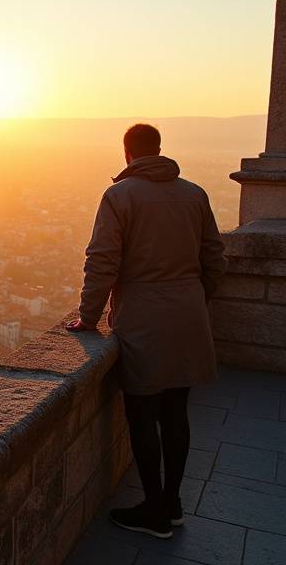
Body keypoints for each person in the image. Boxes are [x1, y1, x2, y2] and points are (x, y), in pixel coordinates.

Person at [66, 124, 226, 539]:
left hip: (142, 320)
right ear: (159, 150)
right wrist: (195, 296)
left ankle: (154, 509)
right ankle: (172, 504)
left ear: (127, 155)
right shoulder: (194, 194)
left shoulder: (119, 196)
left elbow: (102, 262)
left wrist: (88, 316)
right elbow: (215, 257)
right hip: (189, 317)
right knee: (177, 413)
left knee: (142, 414)